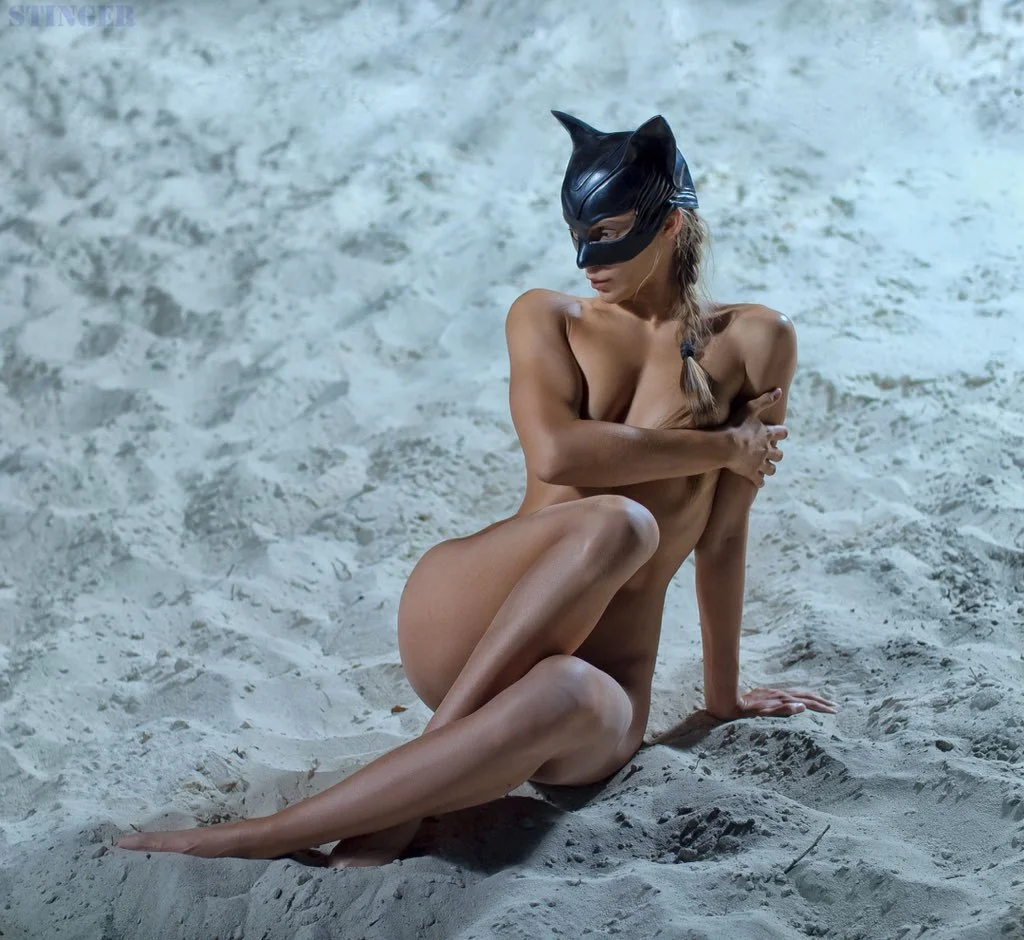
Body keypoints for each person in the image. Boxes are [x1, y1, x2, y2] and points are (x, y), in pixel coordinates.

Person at [116, 110, 837, 867]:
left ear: (671, 224)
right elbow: (559, 453)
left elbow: (723, 535)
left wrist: (723, 697)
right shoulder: (547, 316)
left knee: (570, 681)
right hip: (469, 624)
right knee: (620, 524)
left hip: (601, 681)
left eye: (608, 232)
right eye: (577, 234)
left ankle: (366, 801)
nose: (588, 258)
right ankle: (324, 805)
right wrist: (721, 446)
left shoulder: (758, 341)